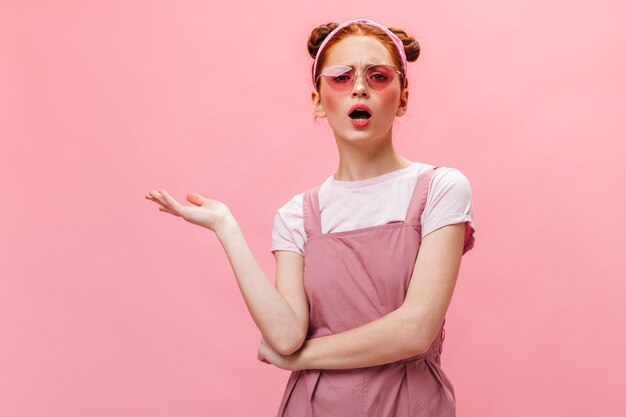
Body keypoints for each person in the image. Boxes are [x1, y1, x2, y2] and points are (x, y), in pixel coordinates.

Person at [145, 17, 475, 417]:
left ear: (403, 97)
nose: (359, 87)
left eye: (378, 76)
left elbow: (415, 331)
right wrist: (225, 227)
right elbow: (285, 336)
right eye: (340, 76)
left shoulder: (440, 189)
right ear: (318, 100)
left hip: (409, 404)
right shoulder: (296, 217)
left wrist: (303, 358)